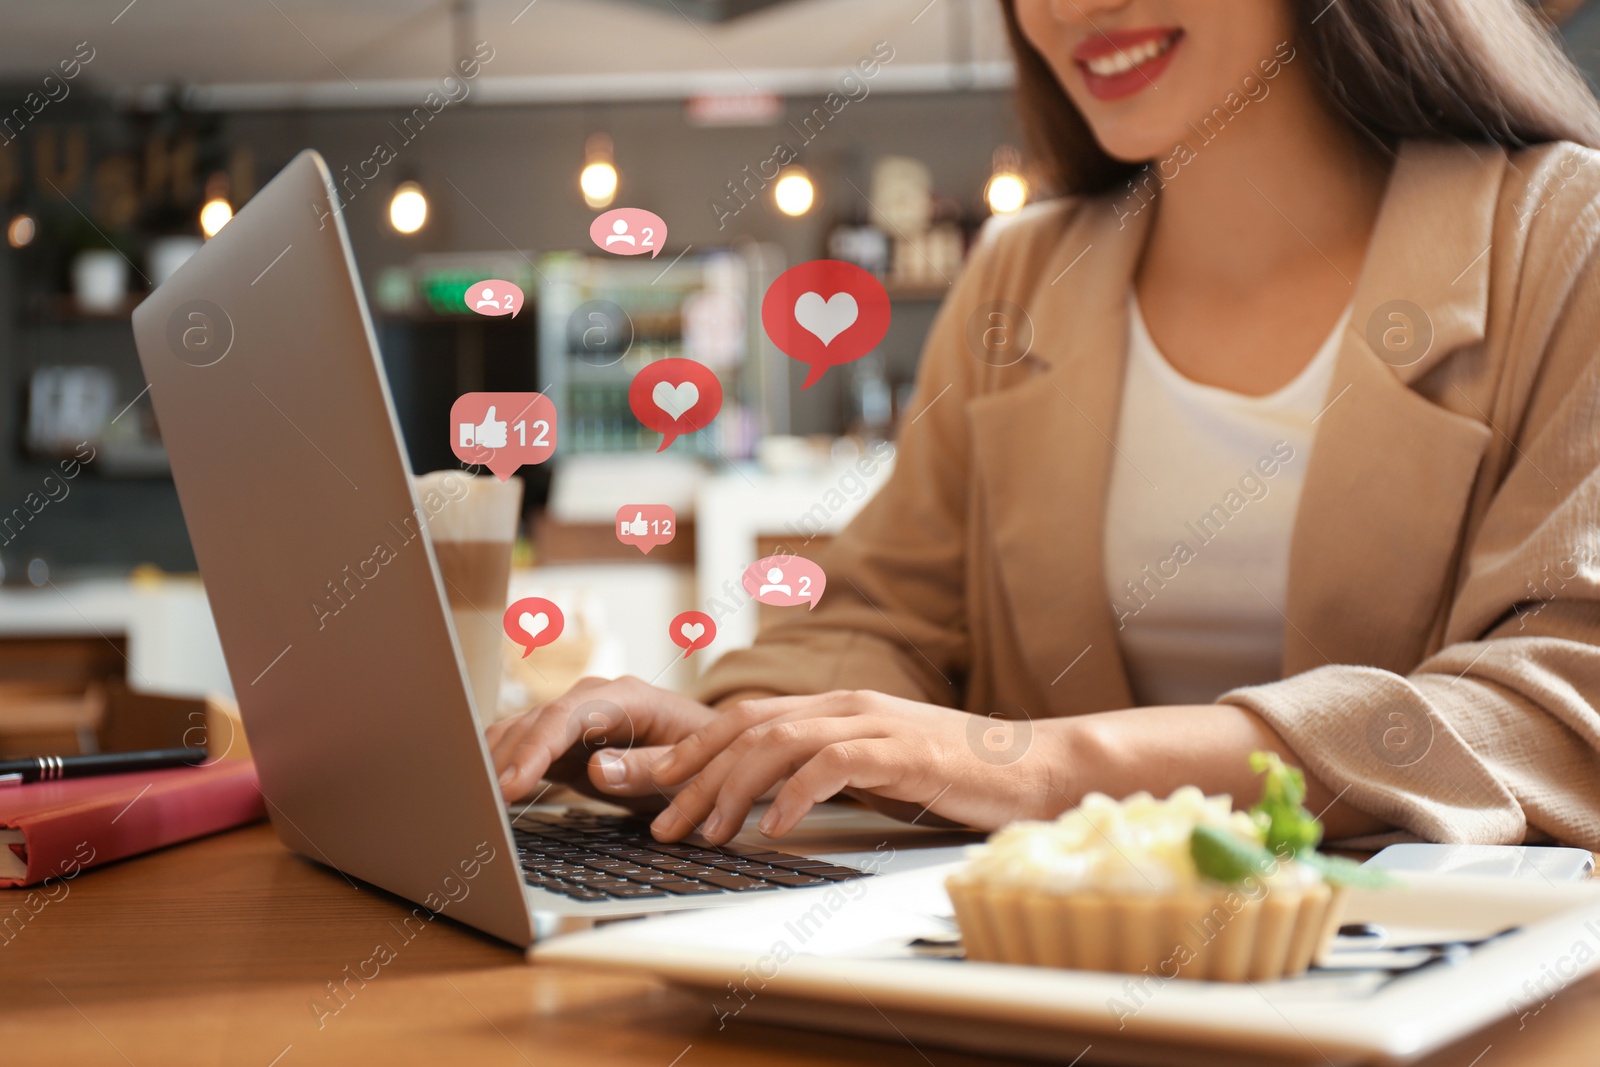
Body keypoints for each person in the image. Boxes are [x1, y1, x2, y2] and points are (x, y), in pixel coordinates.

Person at [489, 0, 1600, 851]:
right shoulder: (1023, 277)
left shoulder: (1565, 240)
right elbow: (884, 619)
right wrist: (717, 738)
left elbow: (1562, 708)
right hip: (1044, 984)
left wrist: (1043, 764)